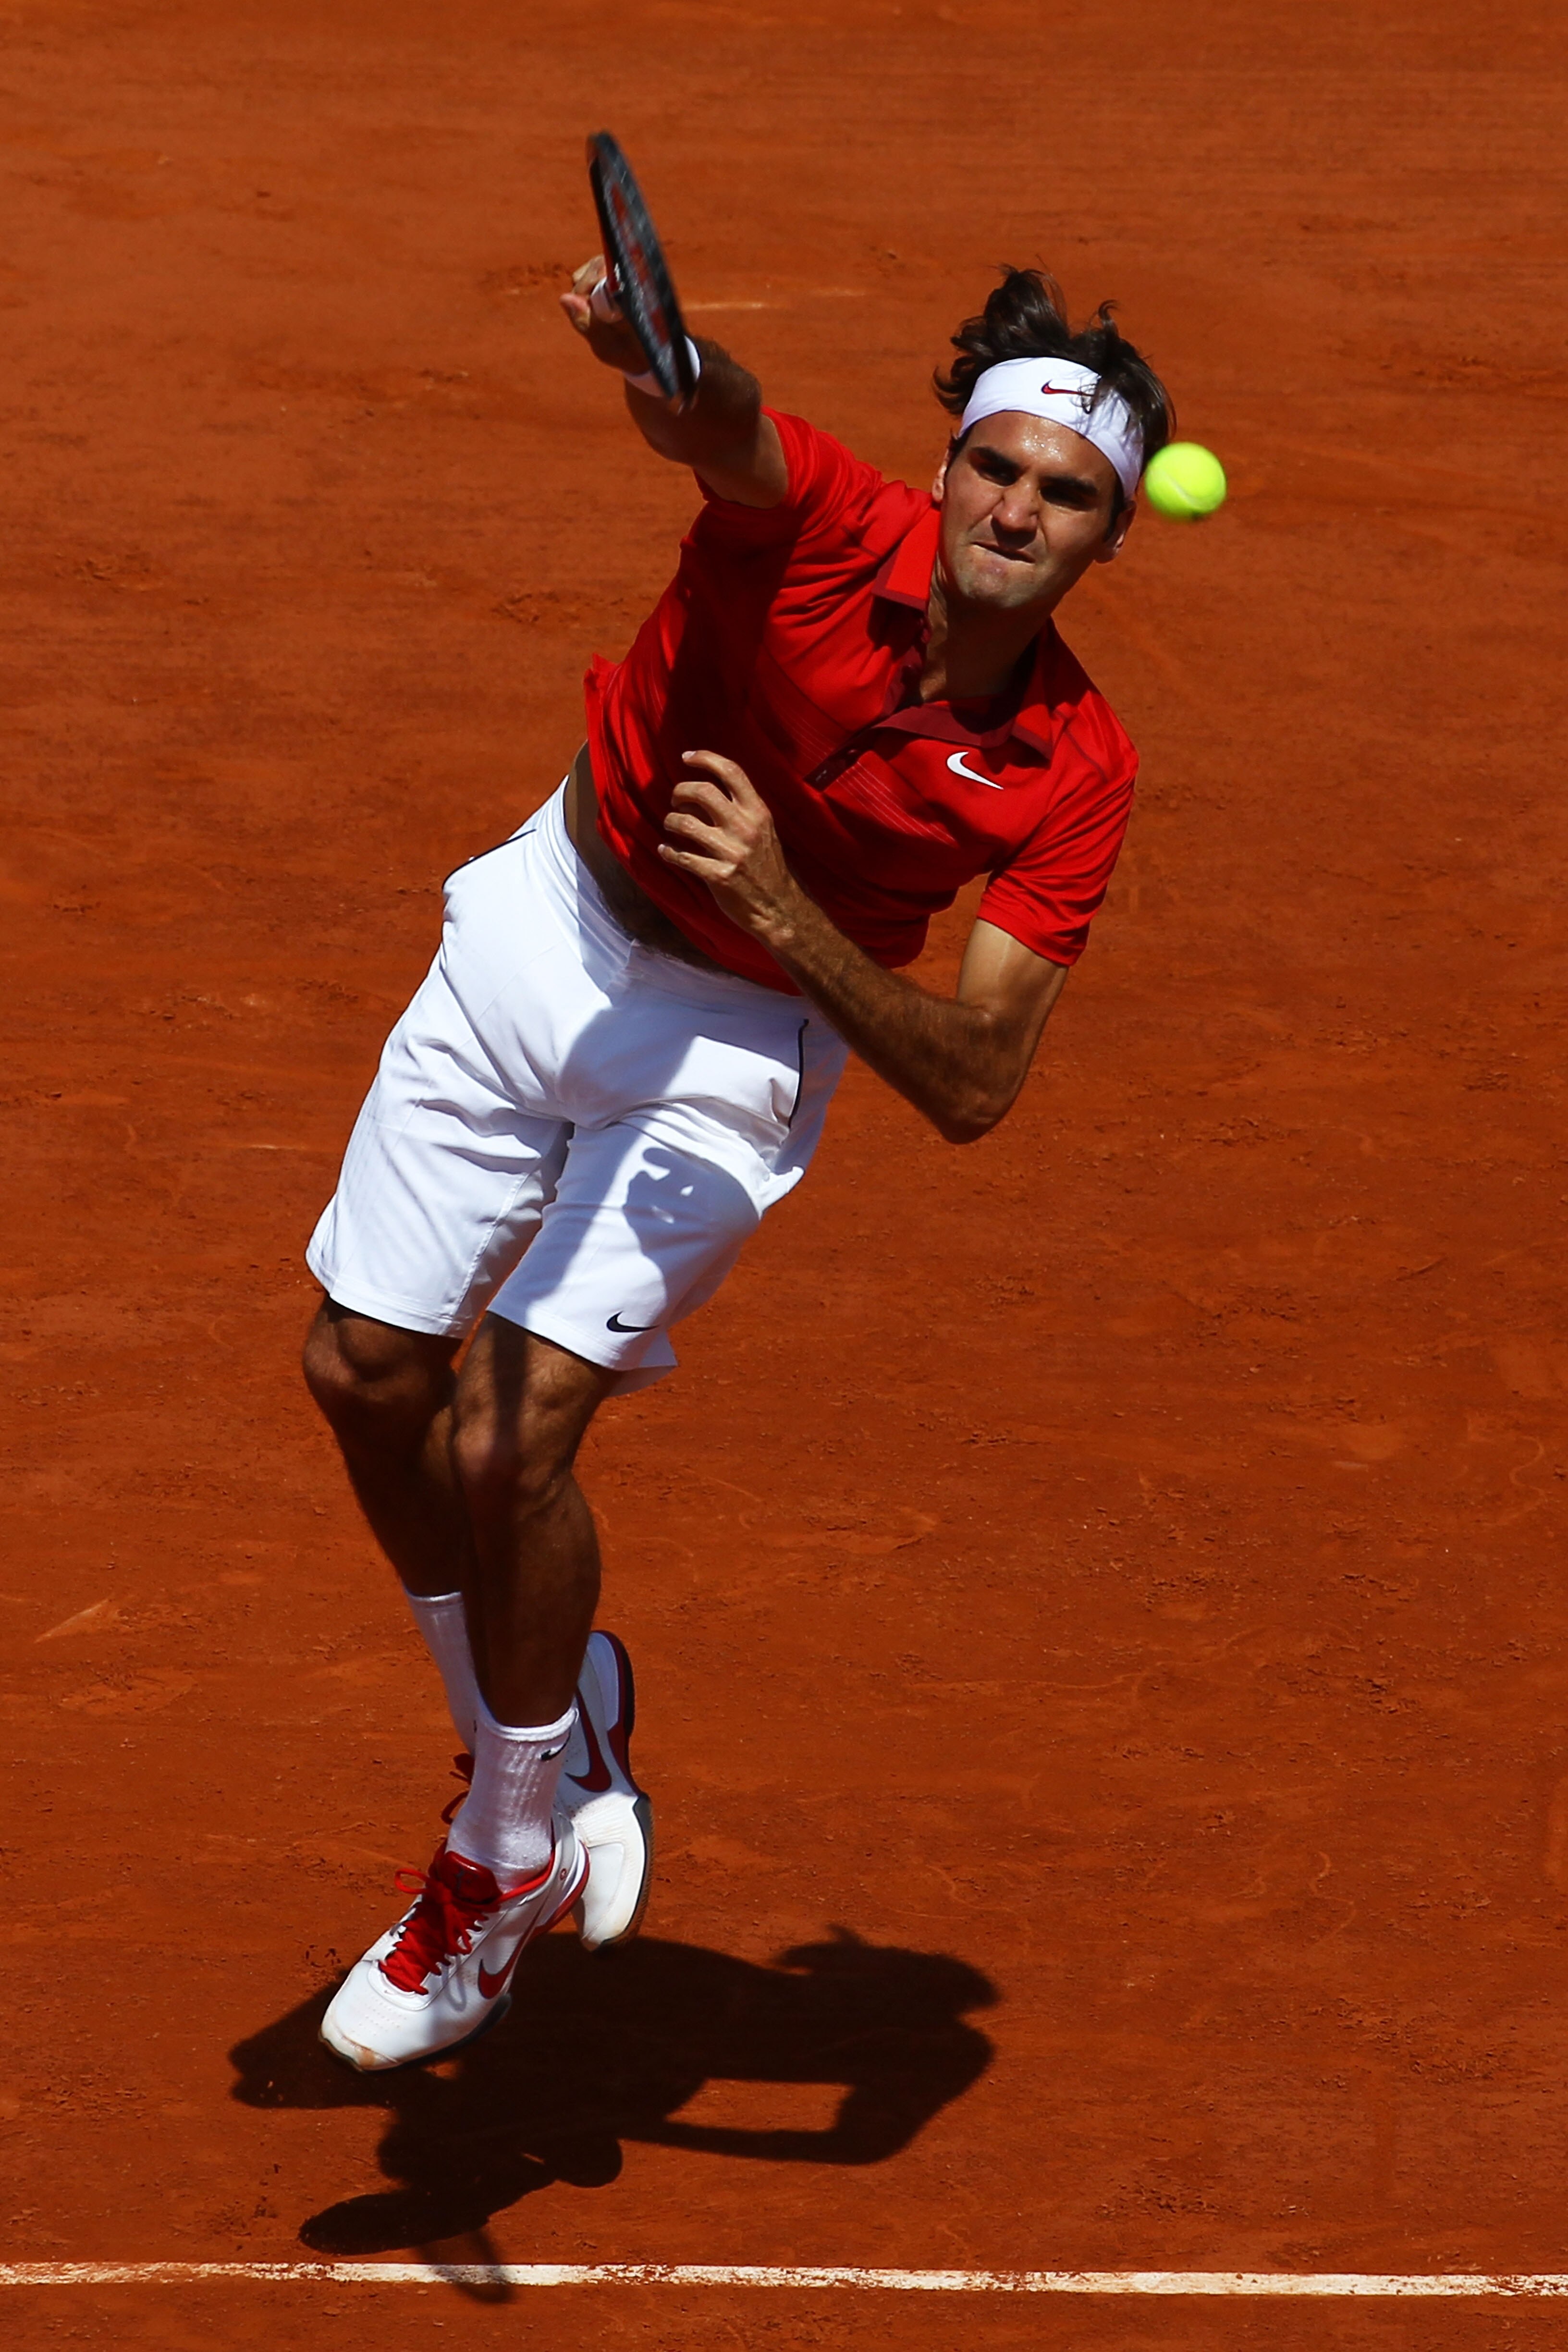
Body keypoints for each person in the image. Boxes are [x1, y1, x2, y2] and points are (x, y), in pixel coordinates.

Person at [303, 257, 1173, 2071]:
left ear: (1107, 539)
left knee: (506, 1432)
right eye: (999, 469)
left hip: (735, 1050)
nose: (1020, 508)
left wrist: (788, 908)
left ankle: (512, 1847)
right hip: (550, 914)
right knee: (363, 1371)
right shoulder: (830, 525)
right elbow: (720, 424)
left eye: (1067, 495)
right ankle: (555, 1728)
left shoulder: (1076, 769)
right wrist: (658, 352)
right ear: (945, 473)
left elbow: (977, 1082)